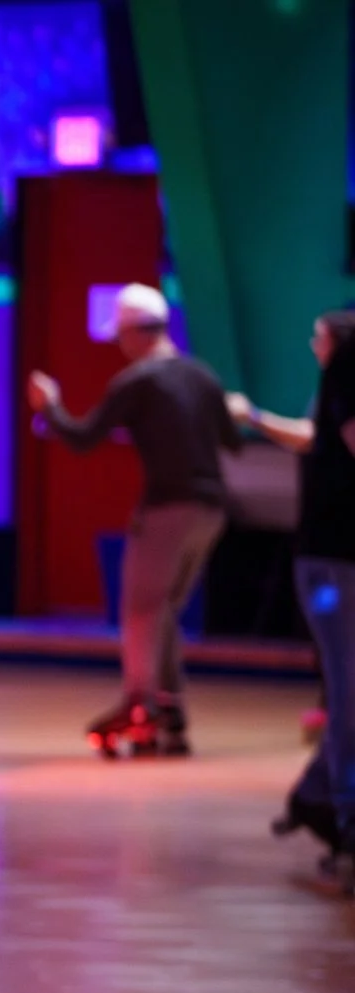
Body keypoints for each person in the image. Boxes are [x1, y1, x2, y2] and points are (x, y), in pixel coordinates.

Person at [30, 282, 240, 757]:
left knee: (141, 609)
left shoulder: (137, 381)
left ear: (134, 333)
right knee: (164, 610)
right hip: (211, 509)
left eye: (121, 337)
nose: (121, 347)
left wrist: (50, 406)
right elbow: (230, 440)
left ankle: (139, 706)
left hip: (167, 506)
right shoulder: (201, 375)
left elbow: (82, 437)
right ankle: (170, 709)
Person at [232, 309, 355, 890]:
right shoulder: (349, 369)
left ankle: (316, 796)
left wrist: (253, 417)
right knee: (349, 692)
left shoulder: (341, 374)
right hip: (336, 559)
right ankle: (344, 819)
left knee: (351, 690)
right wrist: (254, 417)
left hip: (336, 558)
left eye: (317, 338)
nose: (312, 345)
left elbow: (315, 438)